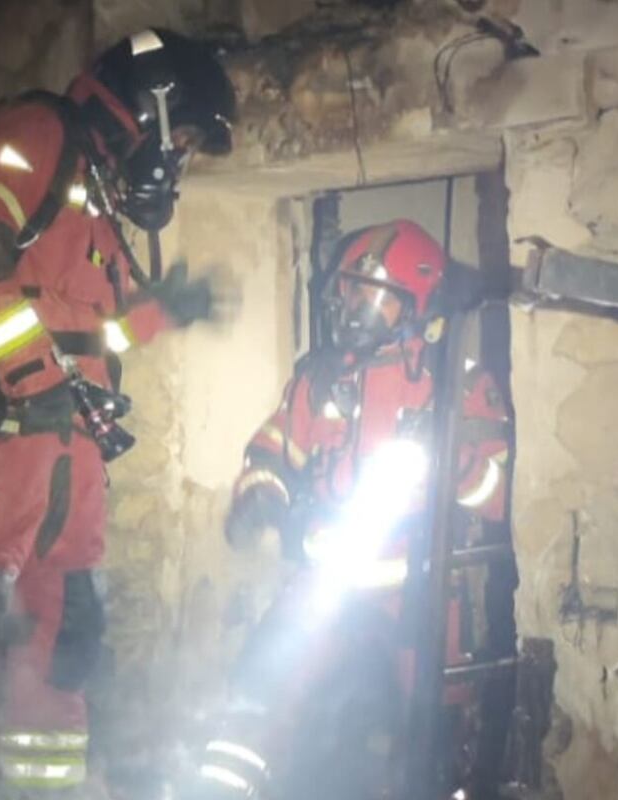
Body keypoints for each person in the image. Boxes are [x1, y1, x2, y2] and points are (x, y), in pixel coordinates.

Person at [0, 29, 236, 800]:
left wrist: (163, 310)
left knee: (68, 653)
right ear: (155, 109)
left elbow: (98, 327)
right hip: (2, 444)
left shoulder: (93, 187)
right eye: (185, 138)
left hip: (73, 460)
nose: (179, 159)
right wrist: (33, 382)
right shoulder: (36, 134)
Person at [193, 219, 511, 799]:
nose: (353, 308)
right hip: (323, 595)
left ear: (416, 302)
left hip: (420, 604)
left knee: (417, 752)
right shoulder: (321, 380)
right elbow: (272, 447)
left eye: (373, 296)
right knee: (257, 702)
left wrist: (455, 460)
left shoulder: (459, 384)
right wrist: (261, 492)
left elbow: (497, 497)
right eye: (351, 291)